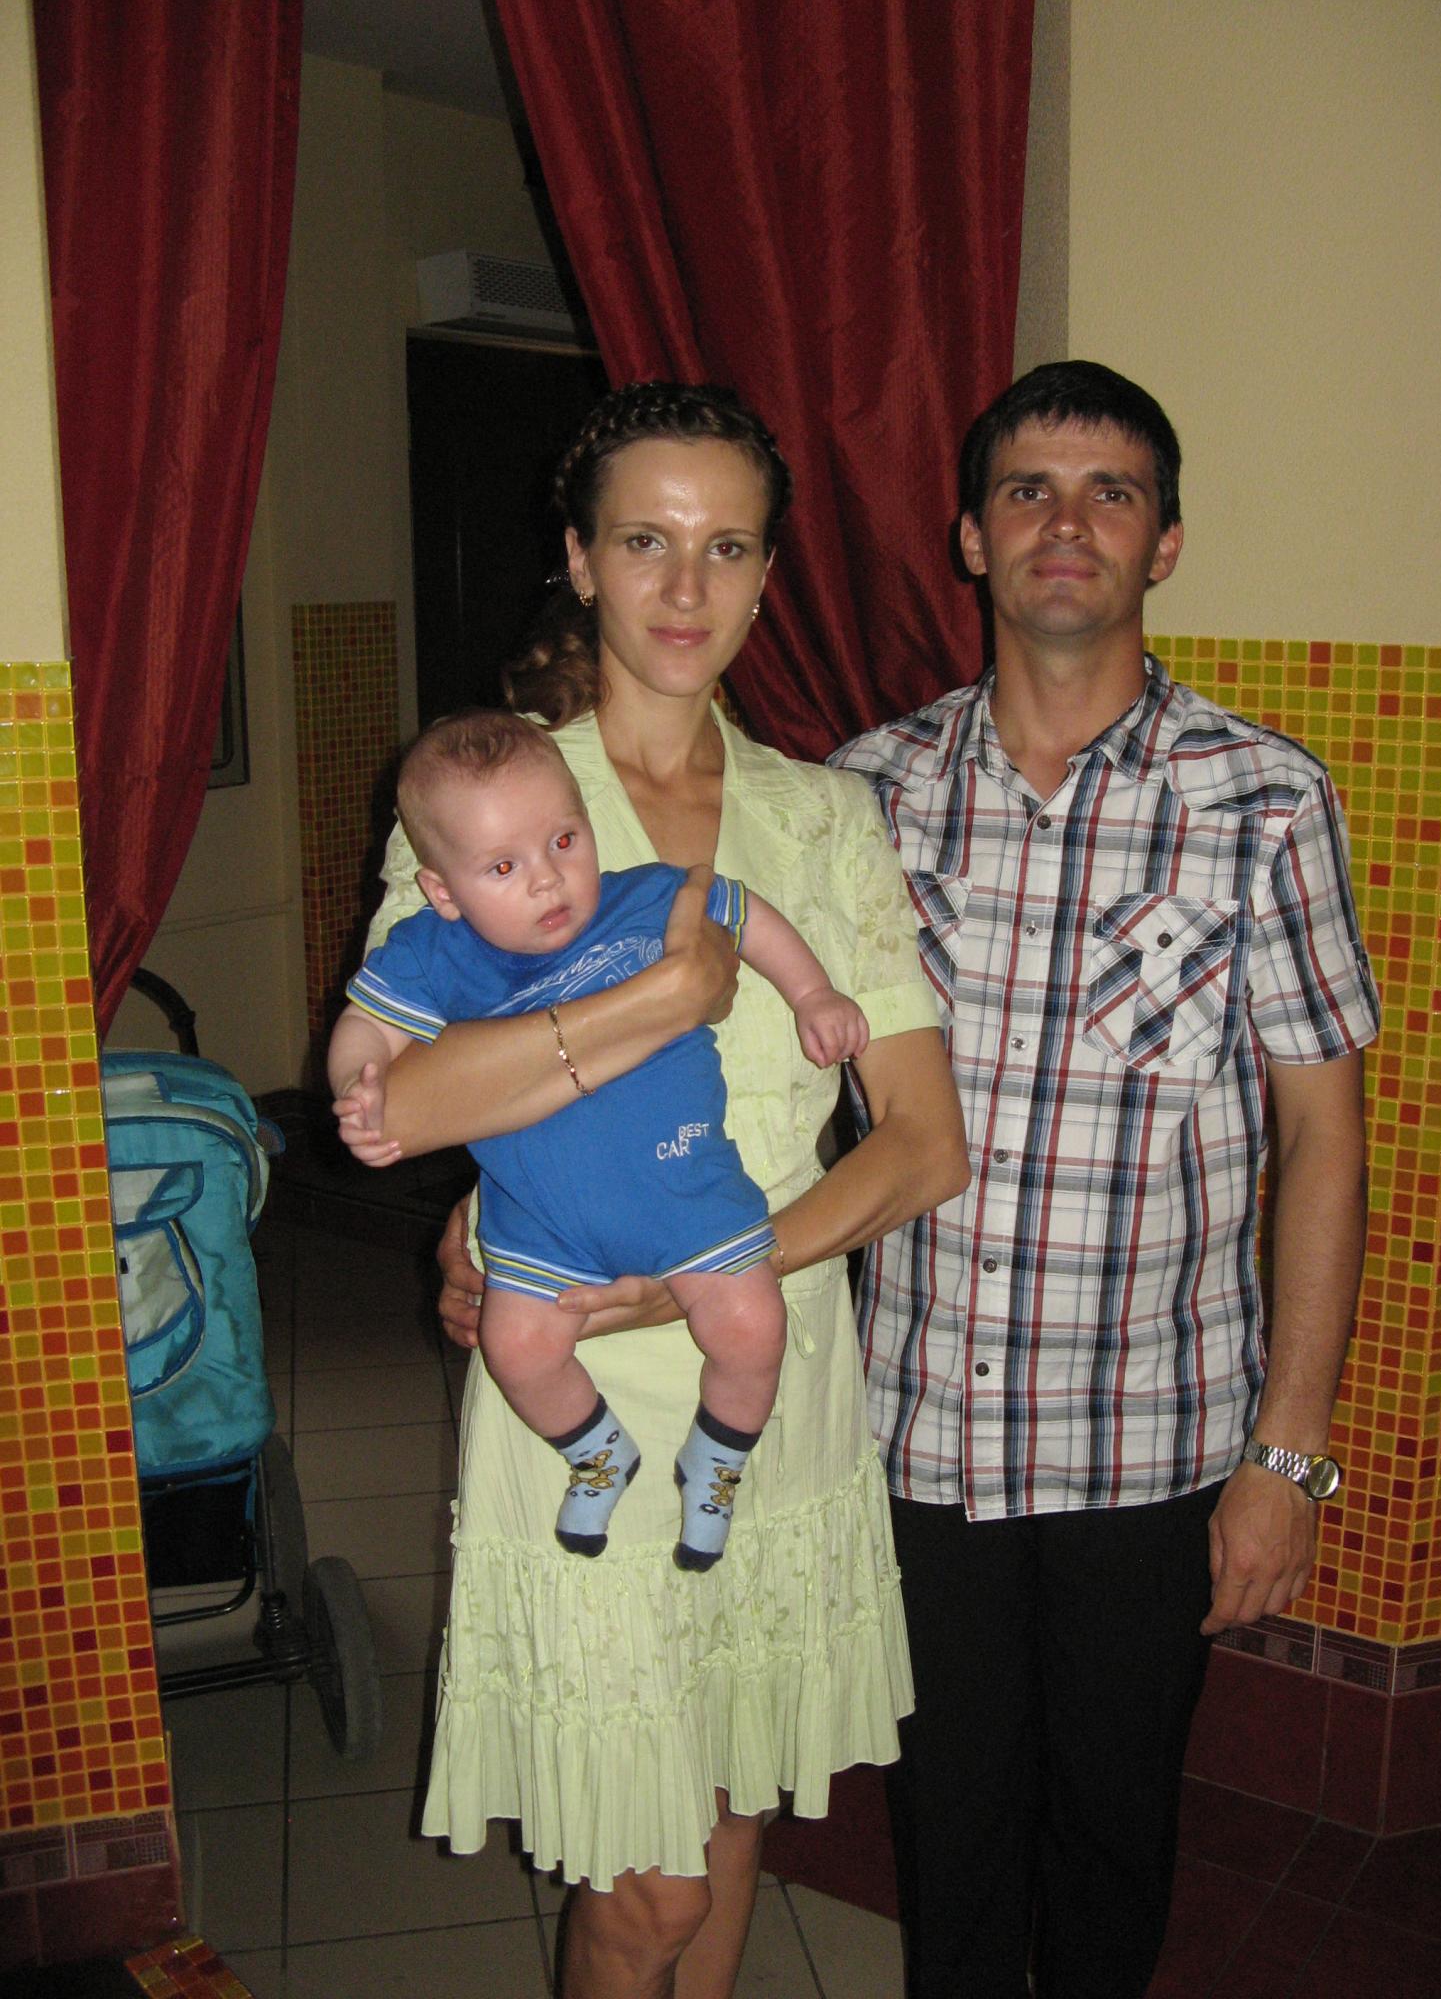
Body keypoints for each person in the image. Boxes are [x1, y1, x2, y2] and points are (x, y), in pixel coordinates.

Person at [349, 381, 970, 1999]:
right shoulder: (489, 797)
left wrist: (716, 1261)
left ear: (767, 577)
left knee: (732, 1811)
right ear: (579, 559)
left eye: (727, 548)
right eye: (645, 541)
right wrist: (654, 1002)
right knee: (648, 1892)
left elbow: (921, 1140)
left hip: (771, 1366)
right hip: (579, 1387)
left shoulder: (824, 819)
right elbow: (394, 1102)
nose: (687, 588)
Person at [829, 360, 1379, 1999]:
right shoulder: (863, 796)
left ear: (1166, 543)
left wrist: (1289, 1456)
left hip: (1152, 1449)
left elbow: (1323, 1137)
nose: (1066, 524)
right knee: (947, 1835)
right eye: (1029, 491)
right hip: (913, 1434)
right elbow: (752, 1100)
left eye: (1110, 494)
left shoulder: (1264, 802)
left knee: (1115, 1839)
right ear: (971, 538)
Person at [329, 708, 868, 1571]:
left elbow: (746, 914)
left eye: (564, 841)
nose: (548, 879)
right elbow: (367, 1026)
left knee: (752, 1326)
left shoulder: (643, 898)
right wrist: (359, 1087)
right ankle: (597, 1452)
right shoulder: (432, 955)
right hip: (541, 1224)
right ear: (443, 892)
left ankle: (717, 1461)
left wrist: (812, 993)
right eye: (503, 866)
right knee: (515, 1347)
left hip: (688, 1194)